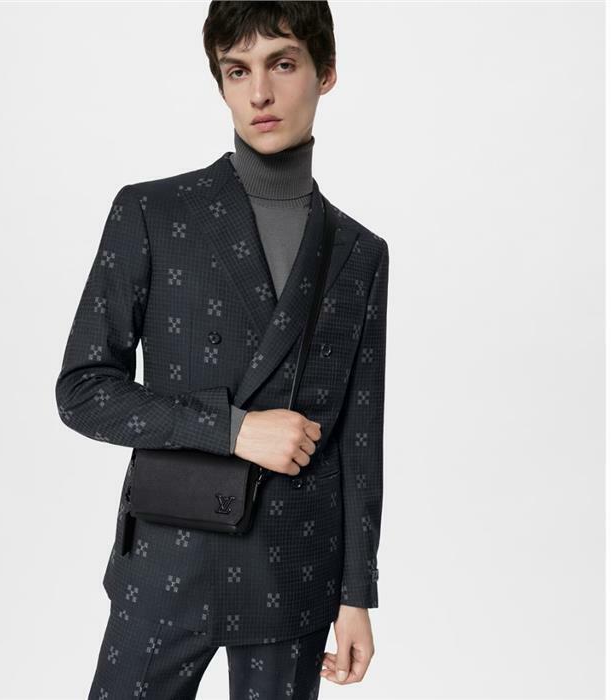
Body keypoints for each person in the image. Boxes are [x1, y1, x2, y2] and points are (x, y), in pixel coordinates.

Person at [55, 2, 390, 698]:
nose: (259, 93)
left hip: (294, 574)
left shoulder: (360, 253)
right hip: (166, 560)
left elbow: (359, 439)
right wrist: (234, 430)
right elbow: (84, 390)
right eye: (237, 71)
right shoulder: (152, 212)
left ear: (326, 72)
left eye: (282, 64)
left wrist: (357, 594)